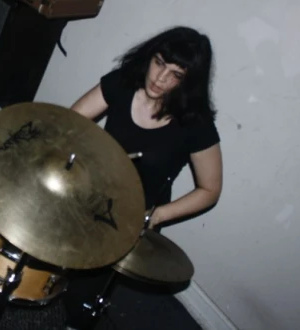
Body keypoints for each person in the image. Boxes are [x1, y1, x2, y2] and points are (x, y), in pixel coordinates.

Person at [61, 25, 224, 329]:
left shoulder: (194, 123)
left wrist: (157, 216)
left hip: (130, 216)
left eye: (176, 74)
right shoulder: (123, 84)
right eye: (159, 63)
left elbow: (210, 189)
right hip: (89, 188)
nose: (160, 78)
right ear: (149, 57)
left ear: (188, 82)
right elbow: (72, 121)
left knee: (78, 300)